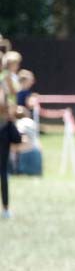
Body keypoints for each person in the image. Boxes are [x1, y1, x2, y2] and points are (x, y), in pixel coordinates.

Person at [0, 55, 20, 219]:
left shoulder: (5, 79)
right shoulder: (5, 79)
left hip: (3, 127)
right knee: (3, 171)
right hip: (3, 127)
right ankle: (5, 208)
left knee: (3, 171)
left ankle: (6, 208)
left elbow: (13, 94)